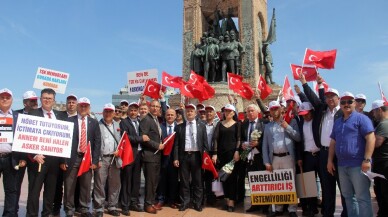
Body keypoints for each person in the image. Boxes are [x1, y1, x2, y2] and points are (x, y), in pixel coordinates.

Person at [299, 73, 348, 217]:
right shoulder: (322, 111)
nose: (330, 99)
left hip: (340, 154)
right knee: (327, 187)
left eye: (333, 96)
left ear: (338, 99)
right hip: (324, 153)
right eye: (328, 97)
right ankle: (327, 213)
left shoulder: (343, 113)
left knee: (343, 186)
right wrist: (305, 84)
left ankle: (346, 213)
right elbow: (315, 99)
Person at [327, 92, 375, 217]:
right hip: (342, 166)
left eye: (350, 101)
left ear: (355, 103)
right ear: (340, 105)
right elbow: (333, 142)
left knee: (362, 197)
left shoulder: (362, 119)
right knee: (348, 197)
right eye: (343, 102)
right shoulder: (337, 122)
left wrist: (367, 160)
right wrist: (330, 160)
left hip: (358, 165)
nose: (346, 104)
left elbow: (371, 138)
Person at [26, 88, 67, 217]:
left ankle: (47, 214)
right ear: (40, 99)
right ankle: (31, 214)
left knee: (50, 192)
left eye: (49, 98)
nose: (47, 100)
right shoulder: (32, 114)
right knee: (34, 192)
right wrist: (34, 155)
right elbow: (25, 137)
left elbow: (65, 139)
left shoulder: (61, 116)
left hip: (54, 161)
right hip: (38, 159)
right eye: (44, 98)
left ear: (54, 100)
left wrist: (63, 160)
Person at [60, 97, 101, 217]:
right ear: (78, 107)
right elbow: (63, 141)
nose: (83, 108)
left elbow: (97, 142)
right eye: (81, 106)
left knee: (86, 184)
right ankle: (69, 208)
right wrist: (63, 160)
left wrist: (95, 159)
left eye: (86, 106)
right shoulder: (69, 120)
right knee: (69, 184)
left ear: (89, 108)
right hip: (72, 157)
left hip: (87, 159)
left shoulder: (93, 122)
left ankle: (83, 207)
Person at [262, 101, 300, 217]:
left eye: (276, 108)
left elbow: (298, 137)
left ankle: (292, 208)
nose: (274, 111)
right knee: (277, 183)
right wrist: (266, 161)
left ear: (281, 109)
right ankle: (278, 208)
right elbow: (265, 146)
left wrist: (287, 127)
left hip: (288, 156)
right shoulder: (268, 126)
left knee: (290, 183)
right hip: (275, 158)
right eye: (272, 109)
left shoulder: (291, 122)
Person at [173, 104, 208, 212]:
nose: (189, 113)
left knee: (198, 181)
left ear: (195, 113)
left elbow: (205, 143)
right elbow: (177, 144)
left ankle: (197, 203)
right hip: (184, 156)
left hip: (197, 156)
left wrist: (206, 158)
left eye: (191, 111)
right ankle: (185, 202)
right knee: (184, 181)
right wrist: (176, 158)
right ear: (185, 113)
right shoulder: (179, 127)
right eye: (187, 111)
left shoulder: (202, 126)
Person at [119, 102, 149, 215]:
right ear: (128, 111)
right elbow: (126, 137)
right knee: (127, 180)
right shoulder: (124, 122)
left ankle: (133, 202)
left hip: (139, 155)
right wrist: (141, 138)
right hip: (129, 155)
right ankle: (125, 205)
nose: (133, 112)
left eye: (135, 110)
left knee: (136, 180)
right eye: (131, 110)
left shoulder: (140, 122)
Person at [93, 103, 122, 217]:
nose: (108, 113)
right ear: (103, 112)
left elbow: (123, 141)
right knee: (99, 184)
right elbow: (96, 143)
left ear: (114, 113)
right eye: (106, 111)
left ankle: (112, 206)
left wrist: (119, 151)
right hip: (102, 158)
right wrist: (97, 159)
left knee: (115, 184)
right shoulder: (97, 125)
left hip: (115, 158)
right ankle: (99, 208)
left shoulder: (118, 125)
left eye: (110, 111)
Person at [0, 88, 25, 217]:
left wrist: (22, 157)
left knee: (11, 190)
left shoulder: (18, 117)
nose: (4, 99)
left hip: (12, 159)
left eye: (7, 97)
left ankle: (9, 214)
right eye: (2, 97)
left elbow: (23, 139)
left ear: (12, 100)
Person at [53, 94, 79, 216]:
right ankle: (56, 208)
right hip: (59, 157)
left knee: (73, 185)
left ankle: (73, 207)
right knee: (58, 185)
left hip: (75, 157)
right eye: (69, 102)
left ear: (77, 104)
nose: (71, 104)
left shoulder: (80, 118)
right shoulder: (59, 116)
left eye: (73, 102)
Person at [212, 104, 241, 212]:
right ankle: (227, 198)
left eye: (230, 111)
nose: (227, 113)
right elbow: (215, 139)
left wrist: (237, 151)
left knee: (232, 178)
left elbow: (238, 139)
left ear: (233, 113)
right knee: (223, 177)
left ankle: (232, 202)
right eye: (226, 111)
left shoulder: (237, 124)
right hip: (222, 154)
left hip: (233, 155)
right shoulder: (219, 124)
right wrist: (215, 153)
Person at [14, 90, 38, 214]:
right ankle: (14, 210)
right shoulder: (15, 115)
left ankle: (30, 212)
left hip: (35, 158)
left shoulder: (41, 115)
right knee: (15, 186)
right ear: (25, 102)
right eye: (32, 101)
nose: (35, 102)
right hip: (19, 157)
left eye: (36, 100)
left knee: (33, 187)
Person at [242, 104, 269, 214]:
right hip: (249, 156)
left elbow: (267, 140)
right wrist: (243, 145)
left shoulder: (264, 123)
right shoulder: (244, 124)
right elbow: (242, 138)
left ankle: (266, 205)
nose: (249, 113)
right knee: (253, 180)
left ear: (257, 112)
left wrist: (258, 143)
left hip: (260, 155)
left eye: (252, 111)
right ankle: (255, 203)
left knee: (263, 180)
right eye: (248, 111)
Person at [139, 100, 164, 214]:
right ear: (149, 107)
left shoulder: (156, 120)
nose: (155, 108)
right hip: (149, 156)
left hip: (157, 156)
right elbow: (144, 138)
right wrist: (157, 145)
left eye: (157, 106)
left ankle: (151, 202)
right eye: (153, 106)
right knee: (149, 182)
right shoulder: (146, 120)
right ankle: (147, 204)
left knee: (154, 182)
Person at [296, 102, 321, 217]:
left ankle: (324, 206)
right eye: (302, 114)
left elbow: (319, 103)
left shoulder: (318, 120)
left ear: (312, 112)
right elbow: (299, 142)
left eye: (307, 114)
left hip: (320, 155)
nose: (305, 116)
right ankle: (311, 207)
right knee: (309, 184)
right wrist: (299, 157)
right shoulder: (300, 123)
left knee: (324, 183)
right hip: (307, 156)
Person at [155, 108, 179, 209]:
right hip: (162, 158)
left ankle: (172, 200)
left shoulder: (179, 127)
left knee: (173, 180)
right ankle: (161, 200)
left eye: (172, 115)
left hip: (174, 158)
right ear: (165, 116)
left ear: (175, 116)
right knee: (162, 180)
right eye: (168, 115)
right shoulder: (160, 127)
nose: (170, 116)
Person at [371, 100, 388, 217]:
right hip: (380, 163)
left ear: (379, 110)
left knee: (384, 192)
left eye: (374, 112)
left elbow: (376, 143)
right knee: (381, 192)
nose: (373, 115)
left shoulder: (384, 124)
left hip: (384, 164)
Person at [203, 105, 217, 205]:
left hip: (214, 154)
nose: (208, 113)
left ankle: (214, 197)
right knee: (205, 177)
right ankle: (206, 196)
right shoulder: (200, 125)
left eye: (210, 112)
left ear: (214, 113)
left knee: (214, 176)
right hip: (203, 153)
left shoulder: (218, 125)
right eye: (207, 112)